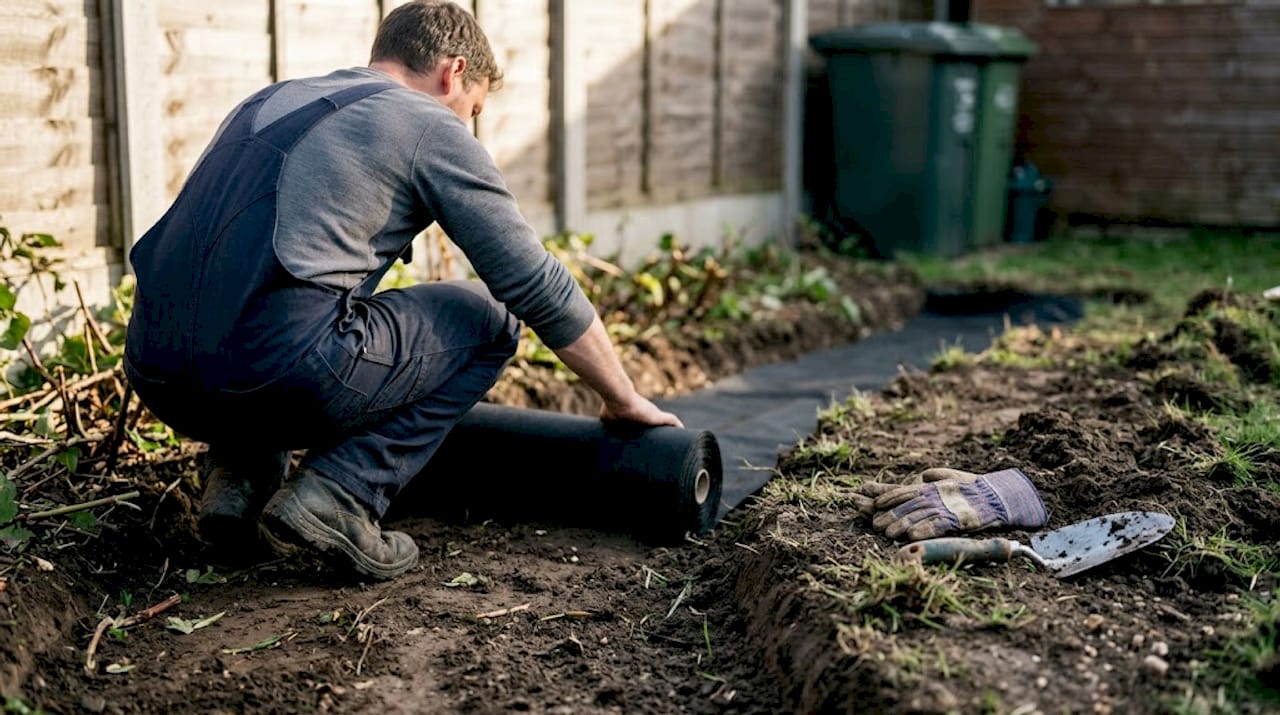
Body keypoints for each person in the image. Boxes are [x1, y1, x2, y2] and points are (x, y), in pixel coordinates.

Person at [122, 0, 682, 581]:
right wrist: (623, 396)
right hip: (276, 371)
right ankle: (341, 496)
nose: (468, 124)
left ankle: (238, 486)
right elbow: (531, 281)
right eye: (474, 110)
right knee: (489, 319)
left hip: (155, 371)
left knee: (269, 295)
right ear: (452, 73)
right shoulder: (427, 124)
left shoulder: (271, 99)